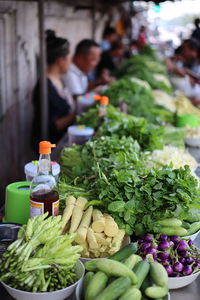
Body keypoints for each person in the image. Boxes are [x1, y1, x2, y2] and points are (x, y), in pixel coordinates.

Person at [32, 30, 75, 148]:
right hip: (50, 145)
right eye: (69, 59)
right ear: (61, 61)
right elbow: (51, 126)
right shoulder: (44, 88)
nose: (70, 63)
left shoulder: (59, 80)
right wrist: (77, 114)